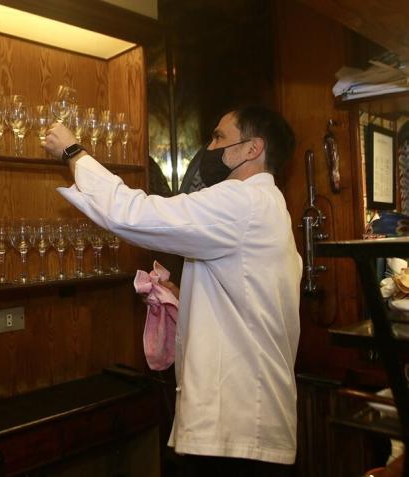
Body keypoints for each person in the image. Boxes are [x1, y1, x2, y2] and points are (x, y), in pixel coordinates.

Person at [43, 106, 301, 477]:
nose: (209, 148)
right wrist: (186, 297)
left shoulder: (240, 201)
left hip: (237, 429)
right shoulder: (269, 206)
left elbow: (135, 214)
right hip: (249, 425)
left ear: (251, 149)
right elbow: (250, 300)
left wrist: (73, 153)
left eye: (219, 138)